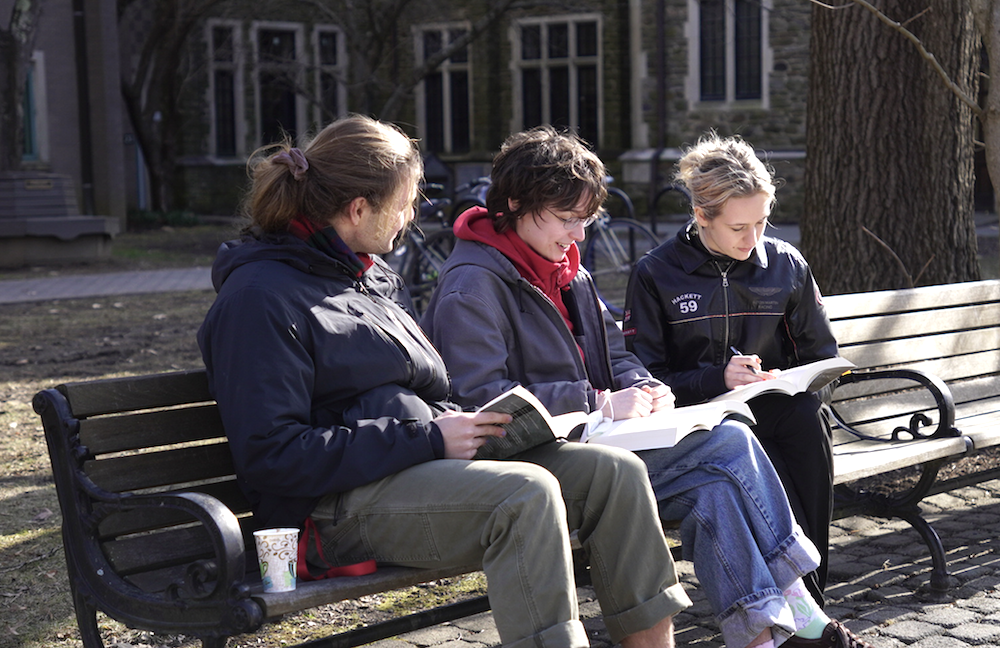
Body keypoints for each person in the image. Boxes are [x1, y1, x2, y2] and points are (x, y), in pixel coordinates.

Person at [196, 115, 690, 648]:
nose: (411, 217)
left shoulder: (366, 274)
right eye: (405, 202)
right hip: (330, 510)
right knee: (526, 495)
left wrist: (473, 424)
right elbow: (272, 454)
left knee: (614, 474)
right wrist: (429, 437)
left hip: (422, 465)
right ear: (358, 209)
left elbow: (419, 390)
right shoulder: (259, 299)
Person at [421, 126, 872, 648]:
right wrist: (594, 400)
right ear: (515, 205)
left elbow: (619, 357)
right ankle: (801, 609)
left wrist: (645, 386)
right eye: (568, 219)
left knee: (718, 484)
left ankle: (762, 638)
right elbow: (481, 400)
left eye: (585, 220)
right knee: (729, 444)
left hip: (594, 446)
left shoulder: (568, 272)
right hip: (531, 467)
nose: (580, 236)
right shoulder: (473, 283)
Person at [622, 133, 840, 606]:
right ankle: (793, 606)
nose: (755, 239)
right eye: (740, 227)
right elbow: (644, 376)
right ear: (702, 216)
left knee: (805, 419)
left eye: (763, 222)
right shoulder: (656, 273)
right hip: (694, 421)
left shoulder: (785, 265)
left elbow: (820, 355)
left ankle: (811, 604)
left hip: (775, 409)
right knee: (756, 449)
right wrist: (716, 378)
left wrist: (787, 381)